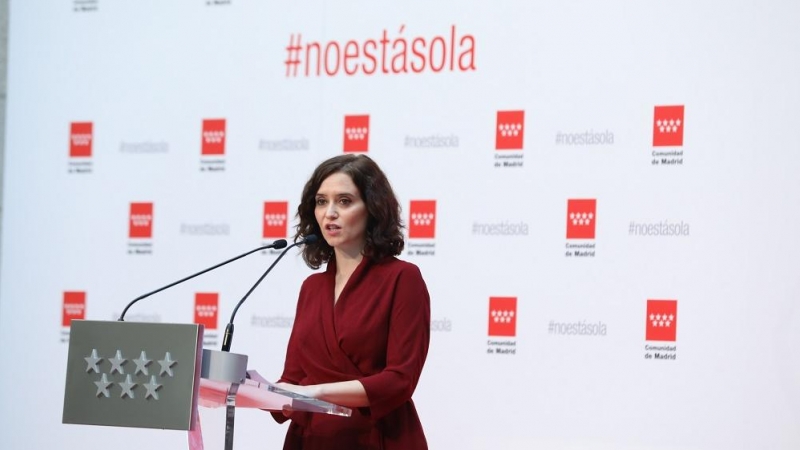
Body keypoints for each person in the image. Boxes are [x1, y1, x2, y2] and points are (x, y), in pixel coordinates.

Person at [272, 154, 431, 450]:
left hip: (377, 437)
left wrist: (317, 393)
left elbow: (400, 380)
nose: (329, 213)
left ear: (372, 209)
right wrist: (266, 393)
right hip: (313, 439)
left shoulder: (402, 278)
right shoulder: (311, 288)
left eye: (344, 201)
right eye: (321, 202)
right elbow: (293, 377)